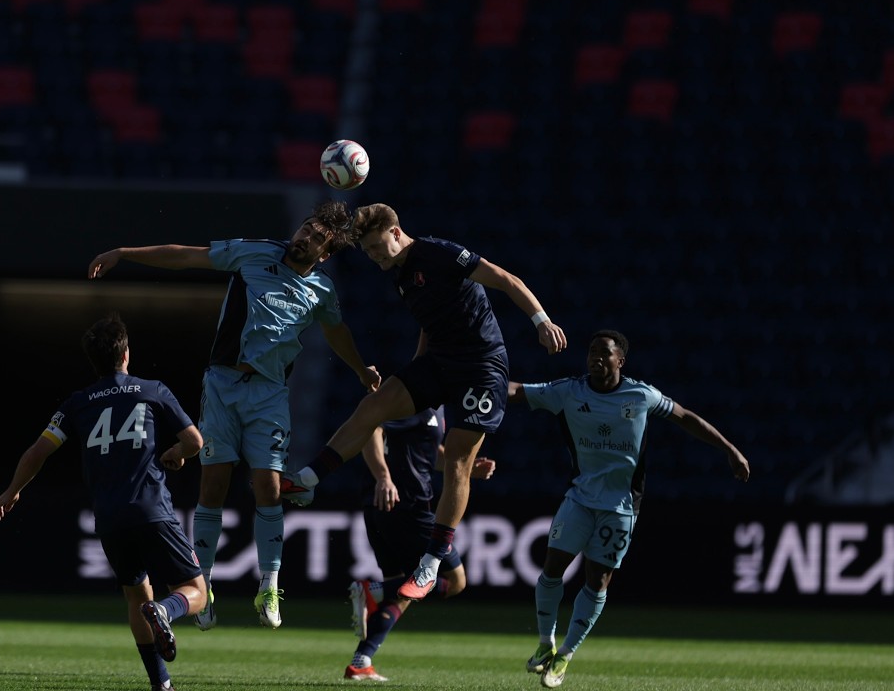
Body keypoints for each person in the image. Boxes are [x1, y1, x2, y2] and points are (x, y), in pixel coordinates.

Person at [86, 201, 380, 629]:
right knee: (214, 484)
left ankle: (269, 585)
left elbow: (337, 332)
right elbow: (186, 256)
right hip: (223, 384)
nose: (305, 238)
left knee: (269, 486)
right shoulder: (254, 252)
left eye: (317, 238)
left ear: (326, 253)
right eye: (306, 228)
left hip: (270, 393)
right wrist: (125, 253)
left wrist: (360, 369)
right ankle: (201, 585)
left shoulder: (321, 290)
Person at [280, 202, 567, 602]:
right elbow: (430, 322)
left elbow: (505, 278)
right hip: (439, 363)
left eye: (377, 247)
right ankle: (307, 481)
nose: (374, 256)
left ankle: (431, 563)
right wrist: (417, 370)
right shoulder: (399, 273)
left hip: (481, 367)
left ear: (396, 233)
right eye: (368, 252)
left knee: (458, 461)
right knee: (372, 407)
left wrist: (542, 321)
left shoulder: (438, 253)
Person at [512, 329, 750, 688]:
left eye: (604, 353)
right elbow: (519, 391)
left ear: (620, 360)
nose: (595, 358)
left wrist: (729, 449)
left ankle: (566, 655)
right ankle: (546, 643)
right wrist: (481, 382)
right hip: (579, 498)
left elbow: (685, 417)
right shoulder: (570, 391)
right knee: (552, 569)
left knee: (597, 581)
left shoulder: (641, 395)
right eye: (591, 352)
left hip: (621, 506)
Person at [0, 314, 207, 691]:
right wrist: (175, 453)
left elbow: (37, 452)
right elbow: (194, 441)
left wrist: (12, 490)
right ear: (126, 354)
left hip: (109, 519)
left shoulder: (77, 404)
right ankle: (166, 611)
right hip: (151, 508)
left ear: (93, 361)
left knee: (136, 596)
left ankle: (161, 683)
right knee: (196, 592)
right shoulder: (152, 390)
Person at [343, 405, 495, 682]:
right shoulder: (415, 401)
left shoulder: (435, 408)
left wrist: (468, 469)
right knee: (455, 581)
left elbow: (429, 453)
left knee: (402, 588)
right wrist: (384, 477)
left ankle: (361, 661)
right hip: (407, 506)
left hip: (379, 506)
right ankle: (372, 591)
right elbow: (372, 430)